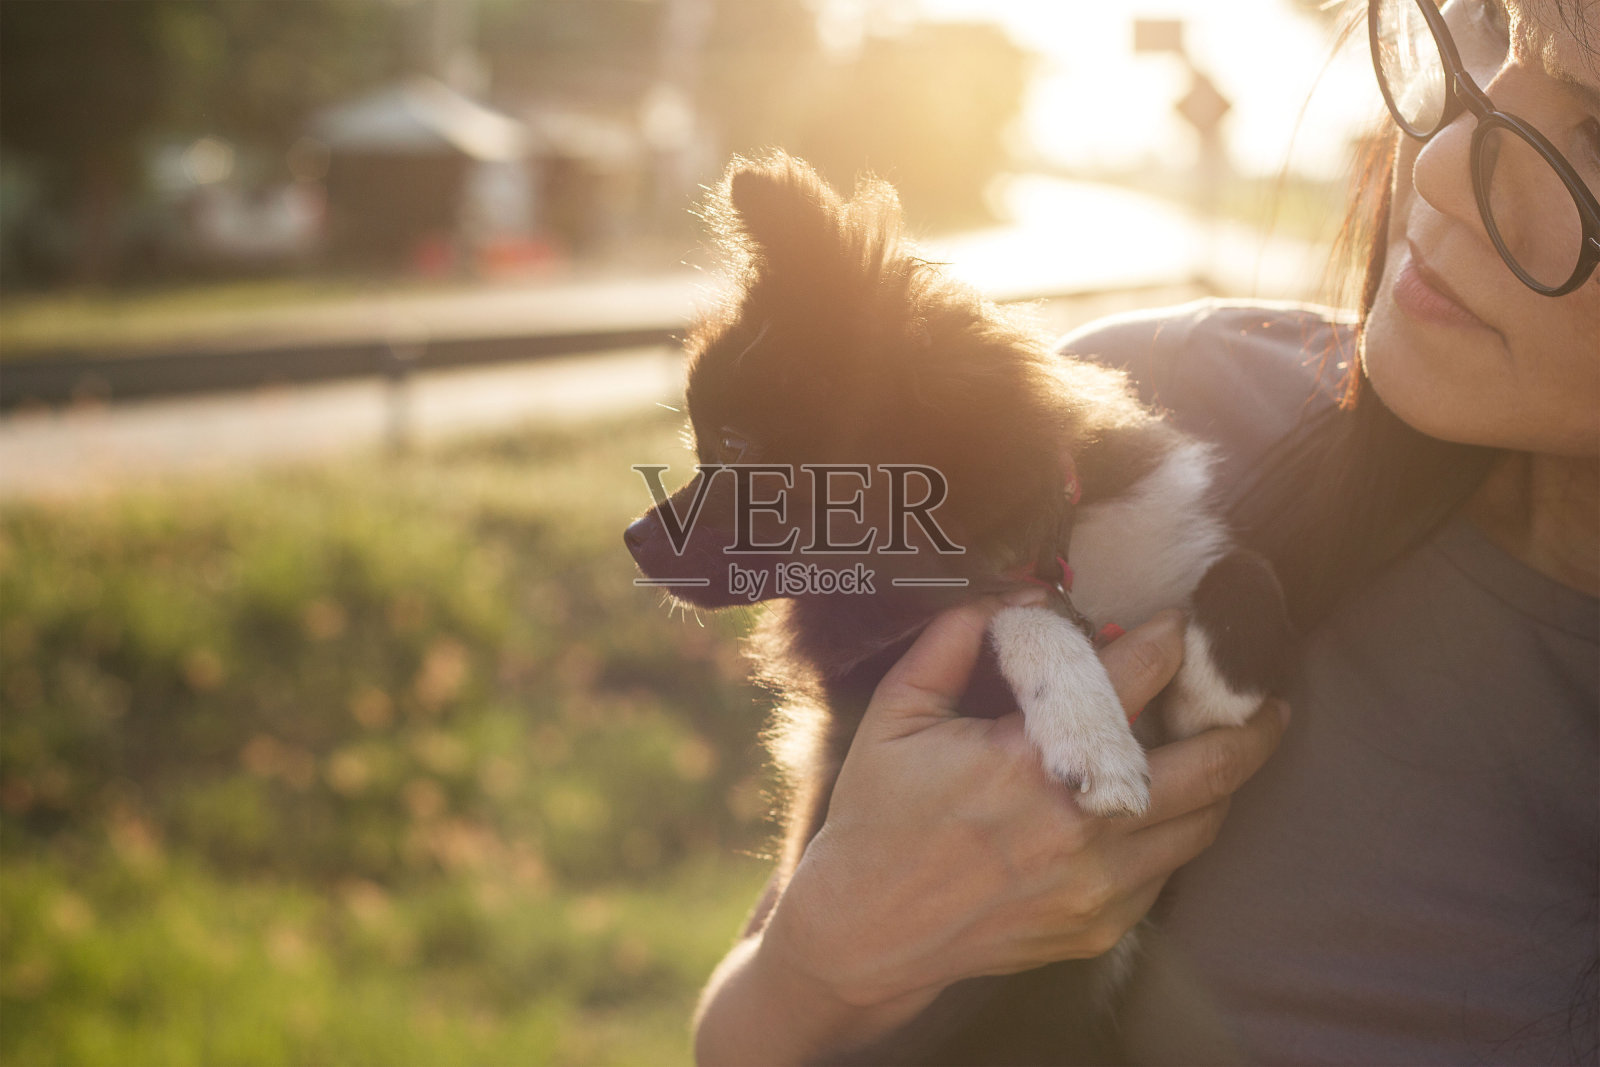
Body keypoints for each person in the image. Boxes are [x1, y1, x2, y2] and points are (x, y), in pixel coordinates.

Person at [693, 0, 1599, 1062]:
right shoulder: (1134, 411)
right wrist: (826, 955)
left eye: (1594, 133)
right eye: (1485, 22)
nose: (1445, 160)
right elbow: (735, 1039)